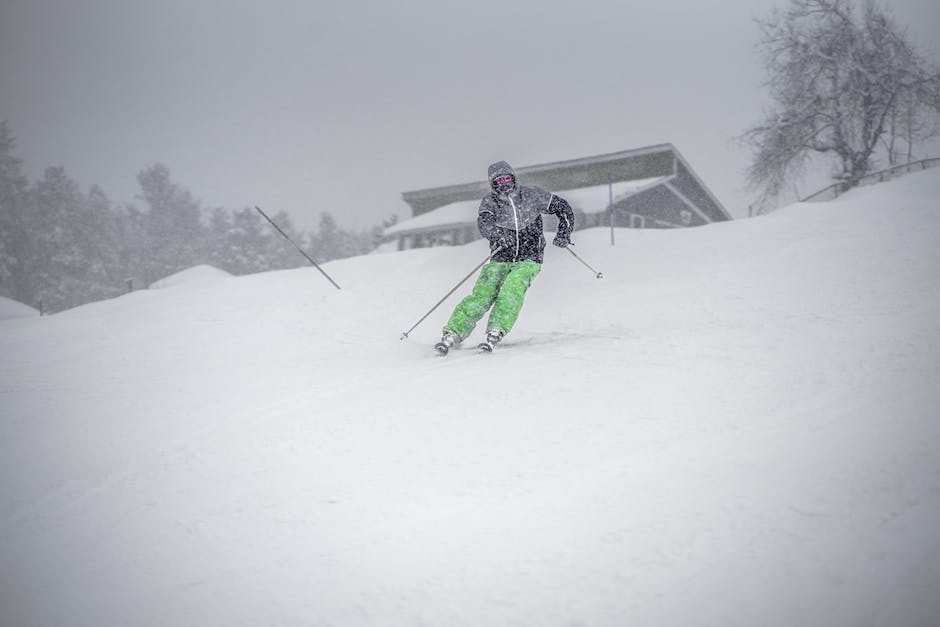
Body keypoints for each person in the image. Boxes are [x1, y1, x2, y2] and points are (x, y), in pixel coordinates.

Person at [435, 160, 575, 354]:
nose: (504, 184)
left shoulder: (532, 195)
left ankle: (496, 329)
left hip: (529, 256)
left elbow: (564, 208)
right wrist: (497, 235)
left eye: (507, 179)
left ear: (514, 178)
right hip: (501, 255)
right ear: (493, 184)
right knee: (483, 294)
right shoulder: (490, 202)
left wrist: (563, 234)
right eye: (499, 181)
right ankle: (453, 332)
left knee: (512, 288)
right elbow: (485, 224)